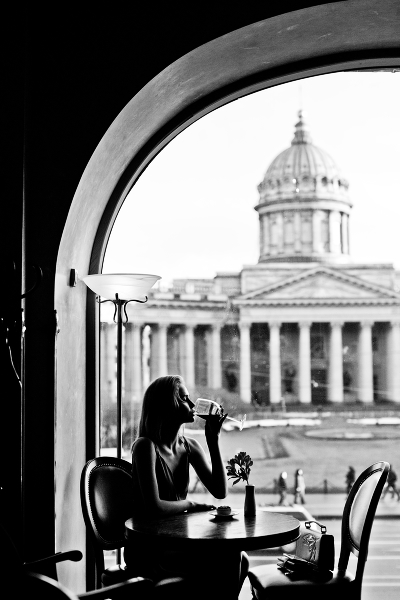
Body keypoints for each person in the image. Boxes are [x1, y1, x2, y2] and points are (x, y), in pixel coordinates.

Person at [124, 375, 249, 588]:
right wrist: (191, 504)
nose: (192, 404)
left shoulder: (188, 446)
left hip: (177, 538)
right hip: (150, 546)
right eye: (184, 398)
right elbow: (154, 507)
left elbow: (220, 491)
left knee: (241, 559)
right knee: (231, 557)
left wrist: (213, 441)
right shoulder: (145, 446)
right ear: (166, 405)